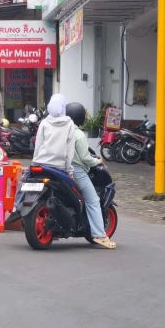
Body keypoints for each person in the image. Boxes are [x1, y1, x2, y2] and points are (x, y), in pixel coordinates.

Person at [5, 94, 75, 224]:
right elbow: (69, 149)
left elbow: (38, 146)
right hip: (59, 167)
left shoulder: (44, 122)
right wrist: (69, 169)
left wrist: (34, 163)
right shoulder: (69, 124)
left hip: (41, 163)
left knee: (24, 183)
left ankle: (15, 208)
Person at [65, 102, 116, 249]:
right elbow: (85, 158)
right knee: (93, 200)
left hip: (60, 168)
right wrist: (98, 160)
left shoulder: (62, 131)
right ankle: (100, 235)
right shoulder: (78, 134)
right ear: (80, 117)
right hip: (77, 171)